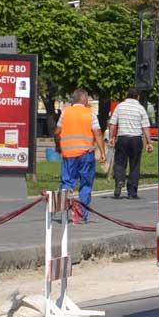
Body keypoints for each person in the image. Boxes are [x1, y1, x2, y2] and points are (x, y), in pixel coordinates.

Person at [54, 90, 106, 222]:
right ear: (85, 100)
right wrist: (103, 152)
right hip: (86, 154)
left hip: (69, 154)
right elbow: (98, 133)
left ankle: (63, 209)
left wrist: (58, 146)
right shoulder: (90, 113)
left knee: (67, 182)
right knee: (86, 185)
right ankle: (82, 215)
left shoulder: (65, 113)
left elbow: (57, 132)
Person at [109, 89, 153, 199]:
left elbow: (112, 123)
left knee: (119, 162)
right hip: (136, 139)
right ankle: (132, 192)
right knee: (135, 165)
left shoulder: (120, 106)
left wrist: (111, 137)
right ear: (137, 97)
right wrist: (149, 142)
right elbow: (145, 127)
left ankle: (119, 180)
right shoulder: (140, 108)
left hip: (122, 138)